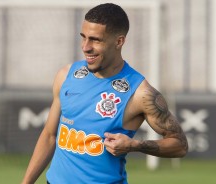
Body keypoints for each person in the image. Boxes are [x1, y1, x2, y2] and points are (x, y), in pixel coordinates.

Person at [22, 3, 188, 184]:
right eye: (83, 37)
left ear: (119, 41)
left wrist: (135, 145)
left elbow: (180, 145)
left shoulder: (141, 93)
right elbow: (49, 135)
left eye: (95, 40)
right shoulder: (66, 75)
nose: (86, 47)